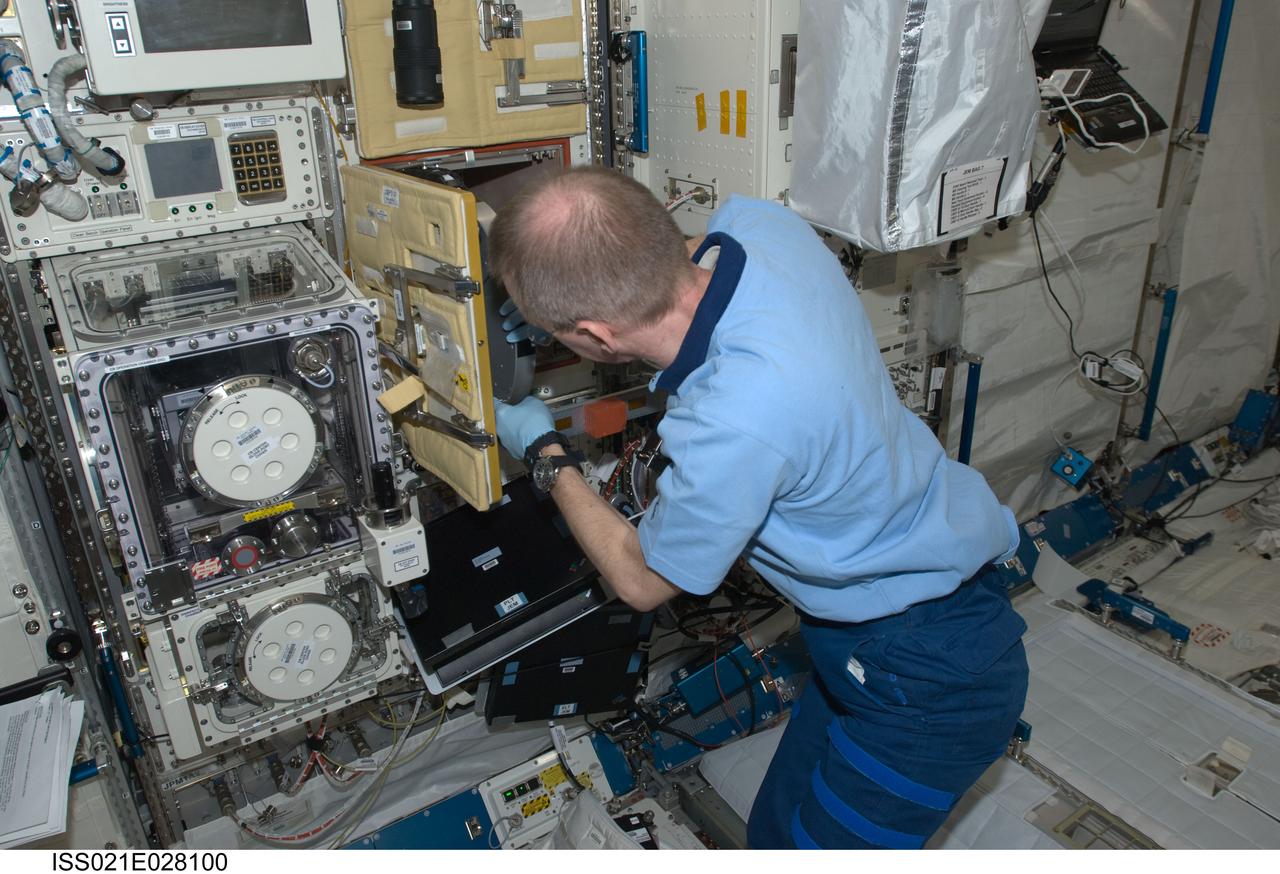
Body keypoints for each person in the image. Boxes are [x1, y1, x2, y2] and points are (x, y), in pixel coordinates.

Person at [487, 166, 1029, 850]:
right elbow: (668, 251)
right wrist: (557, 301)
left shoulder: (736, 418)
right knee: (776, 835)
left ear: (596, 336)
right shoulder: (768, 228)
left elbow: (640, 579)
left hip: (927, 682)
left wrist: (545, 453)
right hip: (870, 626)